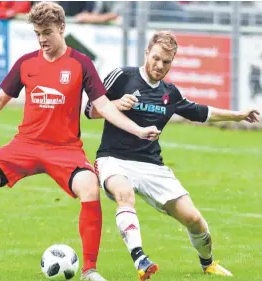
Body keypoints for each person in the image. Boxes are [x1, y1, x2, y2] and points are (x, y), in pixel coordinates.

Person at [0, 2, 161, 281]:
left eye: (47, 32)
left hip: (65, 150)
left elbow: (104, 106)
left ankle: (89, 271)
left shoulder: (81, 63)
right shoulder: (27, 63)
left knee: (89, 188)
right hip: (25, 145)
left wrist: (138, 130)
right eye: (37, 33)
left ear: (62, 28)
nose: (42, 39)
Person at [84, 30, 260, 280]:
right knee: (125, 194)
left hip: (152, 166)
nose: (159, 65)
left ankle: (208, 264)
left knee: (195, 221)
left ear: (172, 61)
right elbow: (89, 109)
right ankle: (140, 259)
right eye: (155, 58)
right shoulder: (122, 76)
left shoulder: (170, 93)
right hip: (114, 159)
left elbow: (201, 112)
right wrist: (114, 105)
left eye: (166, 62)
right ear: (147, 53)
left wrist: (238, 114)